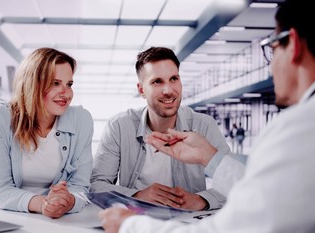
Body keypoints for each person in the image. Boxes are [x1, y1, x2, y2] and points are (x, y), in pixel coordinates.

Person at [98, 0, 315, 233]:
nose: (272, 65)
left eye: (271, 47)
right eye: (157, 81)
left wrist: (129, 230)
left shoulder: (312, 125)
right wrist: (211, 158)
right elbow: (274, 200)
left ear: (293, 44)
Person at [91, 47, 232, 211]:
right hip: (136, 220)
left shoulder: (203, 125)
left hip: (188, 225)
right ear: (141, 90)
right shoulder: (120, 126)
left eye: (174, 79)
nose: (168, 91)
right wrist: (137, 195)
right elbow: (96, 185)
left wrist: (202, 200)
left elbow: (235, 182)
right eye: (157, 81)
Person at [0, 48, 94, 219]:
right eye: (55, 83)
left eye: (69, 84)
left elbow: (80, 185)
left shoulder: (81, 120)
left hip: (61, 218)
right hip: (3, 215)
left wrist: (69, 201)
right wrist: (43, 204)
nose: (66, 93)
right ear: (32, 84)